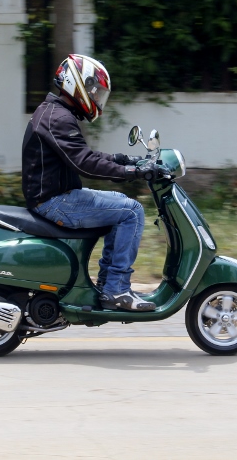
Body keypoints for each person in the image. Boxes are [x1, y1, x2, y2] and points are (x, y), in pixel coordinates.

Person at [22, 54, 168, 312]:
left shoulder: (56, 113)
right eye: (95, 91)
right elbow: (84, 163)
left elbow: (83, 155)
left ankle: (108, 284)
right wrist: (130, 171)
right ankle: (116, 289)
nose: (97, 98)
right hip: (54, 201)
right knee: (132, 212)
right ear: (76, 84)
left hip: (57, 195)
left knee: (122, 204)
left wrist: (124, 159)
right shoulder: (58, 118)